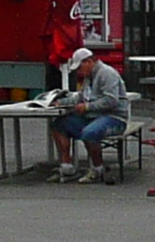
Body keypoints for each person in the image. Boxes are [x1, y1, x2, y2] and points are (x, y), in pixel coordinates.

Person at [47, 47, 131, 182]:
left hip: (114, 117)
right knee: (59, 125)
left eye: (80, 67)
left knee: (90, 133)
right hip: (93, 116)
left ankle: (98, 169)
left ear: (89, 61)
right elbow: (80, 97)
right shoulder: (88, 77)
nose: (79, 71)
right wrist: (59, 102)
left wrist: (87, 107)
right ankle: (67, 167)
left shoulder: (107, 73)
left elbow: (111, 100)